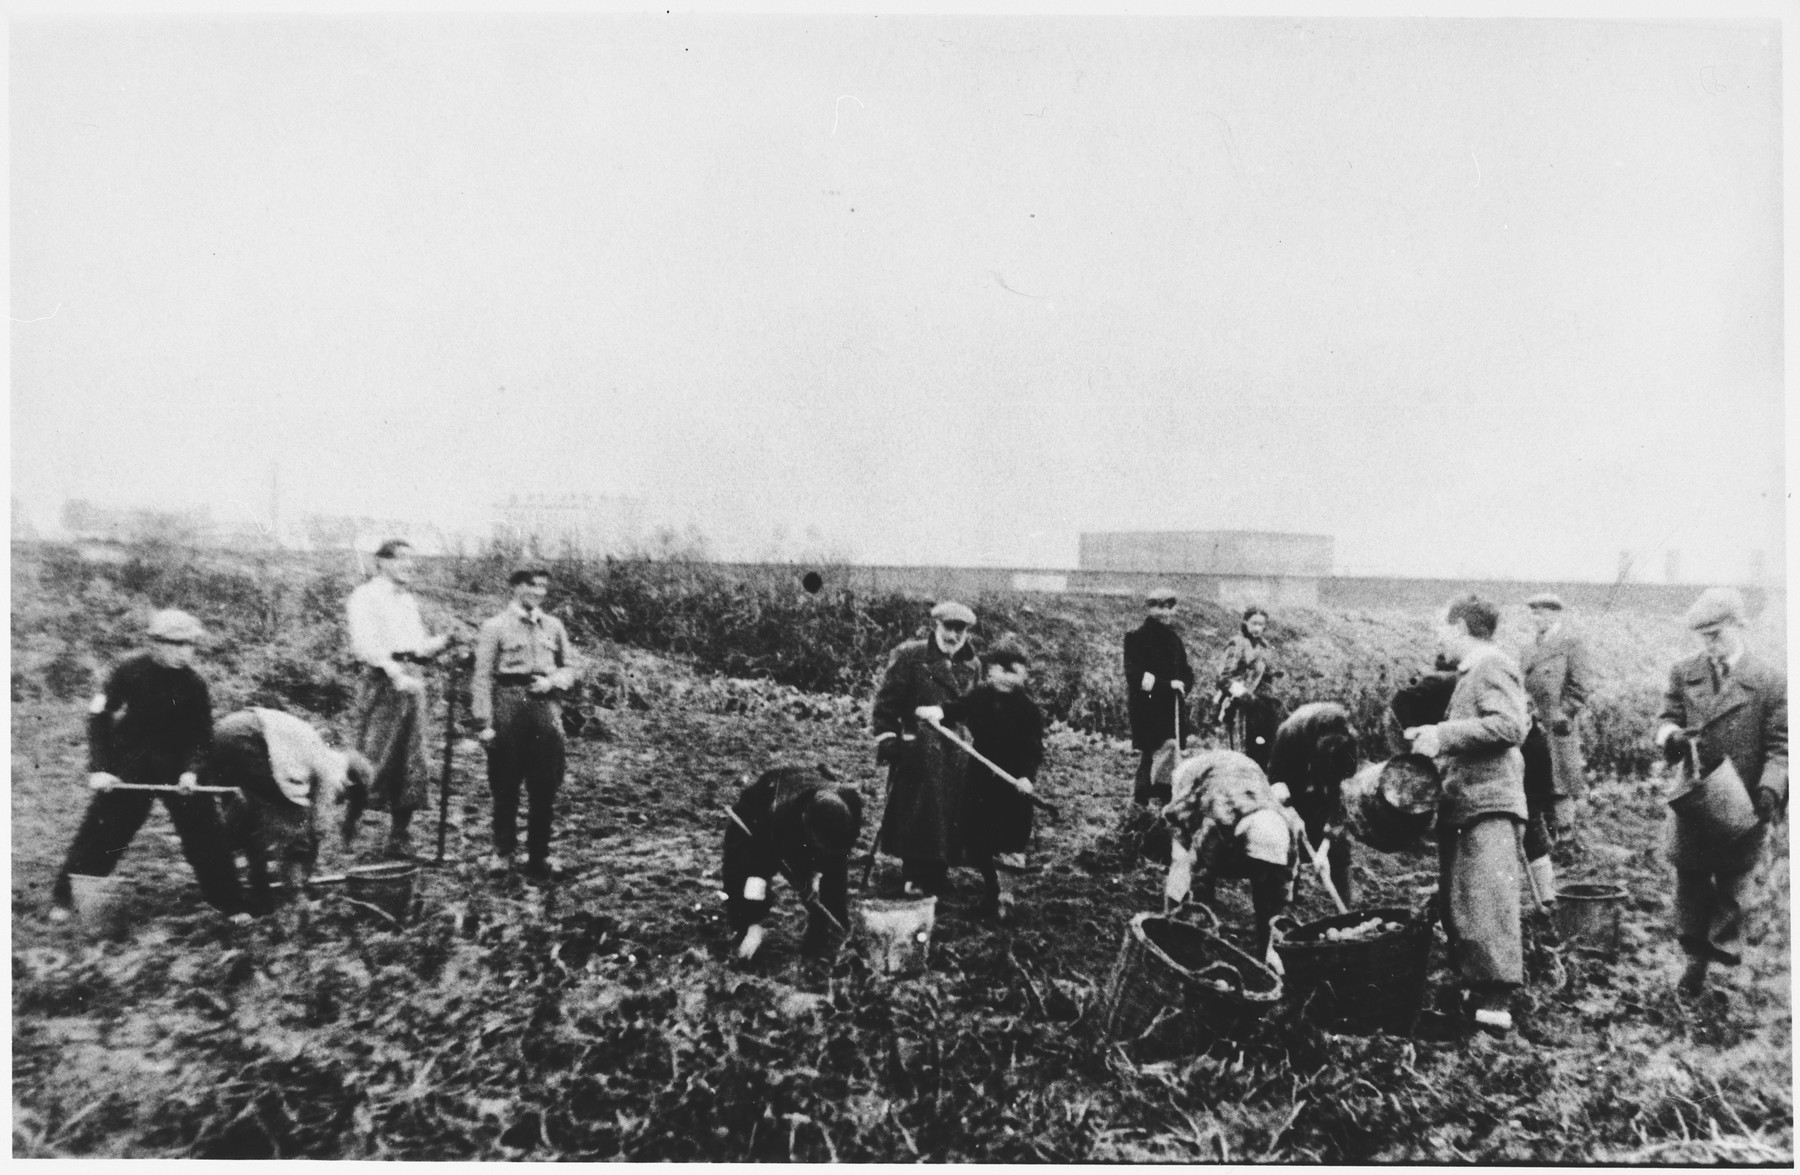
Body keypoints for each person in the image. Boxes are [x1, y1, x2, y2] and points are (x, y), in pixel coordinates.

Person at [50, 609, 245, 921]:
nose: (186, 652)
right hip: (131, 764)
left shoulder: (195, 685)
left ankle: (230, 904)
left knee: (206, 835)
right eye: (178, 644)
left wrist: (191, 771)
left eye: (190, 645)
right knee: (104, 831)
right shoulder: (128, 671)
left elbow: (201, 737)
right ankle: (66, 899)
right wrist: (100, 768)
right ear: (156, 644)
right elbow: (99, 716)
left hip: (179, 767)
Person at [1404, 593, 1530, 1034]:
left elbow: (1511, 725)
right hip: (1471, 803)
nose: (1440, 637)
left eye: (1443, 628)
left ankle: (1494, 1009)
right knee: (1465, 901)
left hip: (1488, 803)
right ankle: (1476, 1000)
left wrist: (1443, 734)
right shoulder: (1472, 673)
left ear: (1459, 627)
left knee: (1488, 902)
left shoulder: (1491, 666)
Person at [1652, 586, 1787, 996]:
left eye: (1717, 635)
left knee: (1734, 878)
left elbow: (1783, 745)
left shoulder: (1770, 680)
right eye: (1703, 637)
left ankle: (1724, 956)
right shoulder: (1683, 671)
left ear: (1738, 627)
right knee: (1690, 877)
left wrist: (1771, 789)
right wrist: (1671, 738)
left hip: (1744, 796)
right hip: (1696, 793)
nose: (1710, 645)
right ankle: (1694, 960)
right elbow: (1665, 718)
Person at [918, 637, 1045, 921]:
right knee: (977, 837)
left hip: (1012, 783)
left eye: (1016, 670)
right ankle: (991, 891)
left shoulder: (1027, 709)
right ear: (991, 671)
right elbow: (958, 708)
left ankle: (1006, 895)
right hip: (980, 778)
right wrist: (937, 712)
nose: (1008, 676)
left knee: (1009, 841)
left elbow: (1032, 749)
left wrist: (1026, 777)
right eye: (1003, 669)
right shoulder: (981, 696)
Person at [473, 565, 580, 883]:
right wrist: (484, 723)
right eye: (532, 586)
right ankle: (502, 853)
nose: (539, 592)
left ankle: (539, 854)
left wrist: (552, 682)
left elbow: (571, 667)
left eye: (543, 587)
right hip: (508, 706)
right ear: (516, 587)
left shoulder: (554, 626)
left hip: (545, 709)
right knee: (505, 784)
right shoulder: (495, 626)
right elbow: (481, 678)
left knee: (545, 785)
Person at [345, 539, 452, 859]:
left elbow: (416, 645)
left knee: (413, 756)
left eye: (411, 560)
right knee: (372, 754)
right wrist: (395, 674)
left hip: (412, 679)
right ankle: (349, 825)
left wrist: (442, 643)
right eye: (401, 560)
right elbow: (365, 645)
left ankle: (399, 835)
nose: (408, 566)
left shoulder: (406, 600)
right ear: (381, 563)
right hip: (382, 679)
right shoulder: (365, 597)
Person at [208, 708, 373, 910]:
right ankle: (296, 898)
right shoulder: (334, 769)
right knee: (294, 828)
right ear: (350, 784)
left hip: (224, 732)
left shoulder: (317, 755)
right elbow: (316, 824)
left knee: (251, 812)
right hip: (248, 739)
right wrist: (303, 863)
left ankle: (253, 885)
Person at [871, 601, 982, 897]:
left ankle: (939, 872)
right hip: (918, 747)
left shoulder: (972, 664)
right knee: (919, 811)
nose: (954, 636)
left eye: (961, 630)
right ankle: (915, 876)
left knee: (950, 812)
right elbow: (885, 704)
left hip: (956, 750)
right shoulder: (911, 655)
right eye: (949, 628)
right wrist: (888, 738)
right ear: (937, 626)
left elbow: (972, 709)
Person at [1160, 749, 1306, 971]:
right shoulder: (1217, 823)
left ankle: (1263, 956)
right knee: (1181, 860)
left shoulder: (1290, 832)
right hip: (1196, 777)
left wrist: (1271, 948)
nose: (1265, 873)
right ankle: (1167, 934)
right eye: (1260, 866)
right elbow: (1201, 882)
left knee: (1266, 888)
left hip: (1246, 778)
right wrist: (1204, 935)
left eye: (1270, 867)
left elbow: (1280, 891)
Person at [724, 765, 863, 961]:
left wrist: (816, 874)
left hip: (804, 790)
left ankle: (825, 940)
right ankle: (745, 931)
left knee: (833, 879)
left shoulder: (850, 802)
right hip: (758, 810)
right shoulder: (775, 821)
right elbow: (757, 875)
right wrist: (753, 922)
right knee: (739, 874)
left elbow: (838, 856)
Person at [1264, 702, 1360, 906]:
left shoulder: (1349, 742)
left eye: (1337, 745)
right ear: (1317, 736)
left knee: (1339, 846)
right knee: (1291, 838)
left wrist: (1327, 841)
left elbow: (1343, 790)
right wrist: (1290, 812)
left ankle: (1346, 907)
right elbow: (1276, 778)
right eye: (1327, 745)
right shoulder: (1290, 734)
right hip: (1294, 784)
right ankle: (1287, 901)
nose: (1332, 749)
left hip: (1326, 786)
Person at [1519, 592, 1593, 852]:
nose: (1534, 618)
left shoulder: (1570, 644)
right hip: (1532, 724)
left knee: (1560, 779)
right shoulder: (1529, 648)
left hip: (1558, 724)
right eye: (1533, 613)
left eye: (1539, 613)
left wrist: (1564, 713)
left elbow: (1580, 687)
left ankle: (1566, 836)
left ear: (1553, 614)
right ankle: (1543, 836)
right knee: (1537, 778)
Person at [1123, 588, 1194, 807]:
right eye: (1158, 607)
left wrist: (1184, 685)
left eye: (1168, 607)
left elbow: (1186, 671)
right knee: (1151, 754)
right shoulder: (1137, 637)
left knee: (1171, 755)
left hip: (1171, 708)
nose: (1164, 612)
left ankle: (1165, 802)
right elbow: (1136, 676)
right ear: (1149, 608)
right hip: (1148, 709)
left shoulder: (1174, 639)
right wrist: (1167, 686)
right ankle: (1140, 806)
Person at [1215, 605, 1281, 769]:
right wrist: (1245, 695)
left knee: (1264, 746)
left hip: (1261, 703)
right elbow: (1224, 678)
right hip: (1239, 703)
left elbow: (1267, 674)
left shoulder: (1264, 646)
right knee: (1242, 751)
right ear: (1245, 622)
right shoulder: (1237, 643)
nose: (1257, 628)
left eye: (1261, 624)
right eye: (1254, 623)